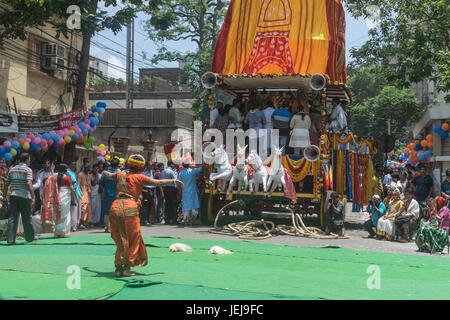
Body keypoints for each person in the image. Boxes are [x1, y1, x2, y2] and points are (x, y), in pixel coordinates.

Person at [101, 154, 183, 277]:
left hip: (115, 207)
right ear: (140, 167)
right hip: (130, 208)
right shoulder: (140, 177)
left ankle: (118, 268)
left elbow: (106, 174)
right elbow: (157, 182)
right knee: (133, 239)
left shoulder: (120, 174)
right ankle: (126, 268)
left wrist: (107, 168)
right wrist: (174, 181)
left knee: (120, 239)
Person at [6, 153, 35, 245]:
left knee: (12, 218)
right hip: (24, 196)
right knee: (26, 217)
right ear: (26, 160)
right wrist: (33, 196)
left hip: (13, 195)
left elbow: (7, 183)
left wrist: (7, 195)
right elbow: (29, 184)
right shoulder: (28, 170)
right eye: (29, 159)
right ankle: (29, 237)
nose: (30, 161)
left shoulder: (11, 170)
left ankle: (10, 240)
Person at [42, 164, 77, 238]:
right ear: (65, 170)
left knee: (57, 214)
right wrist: (76, 197)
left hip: (57, 197)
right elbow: (72, 188)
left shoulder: (54, 177)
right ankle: (63, 232)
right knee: (65, 214)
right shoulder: (67, 178)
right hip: (65, 198)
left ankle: (56, 232)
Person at [178, 159, 204, 225]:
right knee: (193, 206)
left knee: (186, 206)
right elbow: (201, 169)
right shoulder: (192, 171)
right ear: (189, 165)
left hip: (185, 192)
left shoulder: (181, 173)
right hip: (192, 191)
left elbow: (178, 183)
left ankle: (186, 220)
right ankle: (191, 221)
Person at [100, 157, 120, 233]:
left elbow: (101, 183)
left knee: (106, 211)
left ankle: (107, 226)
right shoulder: (119, 174)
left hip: (107, 194)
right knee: (116, 211)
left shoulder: (105, 173)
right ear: (118, 165)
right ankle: (113, 226)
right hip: (117, 194)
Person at [67, 161, 82, 232]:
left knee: (74, 210)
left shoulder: (73, 172)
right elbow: (73, 182)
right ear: (69, 165)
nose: (74, 166)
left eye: (74, 165)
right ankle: (73, 226)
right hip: (74, 193)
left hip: (77, 192)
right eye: (72, 164)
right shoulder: (68, 172)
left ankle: (74, 226)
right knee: (74, 210)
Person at [78, 160, 92, 229]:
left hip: (87, 194)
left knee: (87, 209)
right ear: (84, 167)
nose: (87, 169)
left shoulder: (89, 175)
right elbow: (78, 185)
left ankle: (85, 223)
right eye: (86, 167)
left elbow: (89, 184)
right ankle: (81, 223)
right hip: (82, 193)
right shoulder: (80, 174)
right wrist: (79, 194)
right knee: (83, 208)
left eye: (89, 168)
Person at [141, 161, 155, 226]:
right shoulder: (144, 173)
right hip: (146, 190)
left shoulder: (152, 172)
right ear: (147, 166)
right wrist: (143, 190)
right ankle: (144, 220)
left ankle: (148, 219)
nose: (151, 167)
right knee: (145, 206)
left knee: (150, 205)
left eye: (152, 165)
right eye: (150, 165)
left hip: (151, 190)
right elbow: (140, 183)